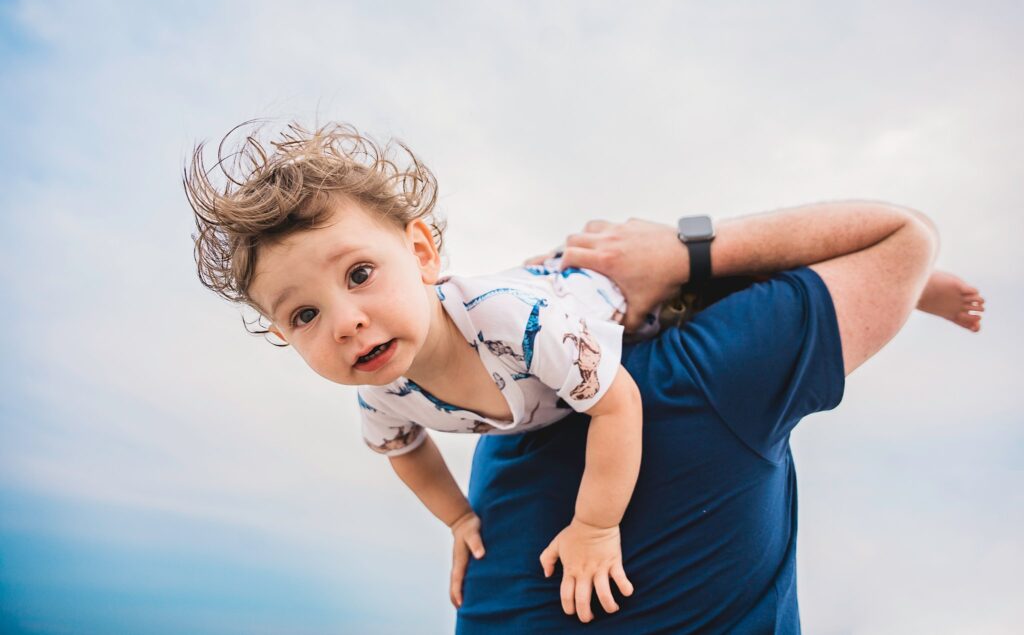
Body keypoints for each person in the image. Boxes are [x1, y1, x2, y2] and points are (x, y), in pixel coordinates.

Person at [182, 121, 984, 632]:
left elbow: (619, 402)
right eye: (303, 316)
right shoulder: (383, 386)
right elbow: (403, 450)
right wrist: (459, 519)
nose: (345, 321)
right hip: (515, 346)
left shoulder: (545, 332)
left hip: (581, 305)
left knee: (672, 302)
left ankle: (922, 292)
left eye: (359, 275)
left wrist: (597, 525)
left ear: (422, 253)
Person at [455, 208, 983, 633]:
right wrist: (688, 249)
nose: (552, 270)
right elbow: (903, 237)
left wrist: (458, 518)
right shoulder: (710, 372)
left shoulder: (504, 422)